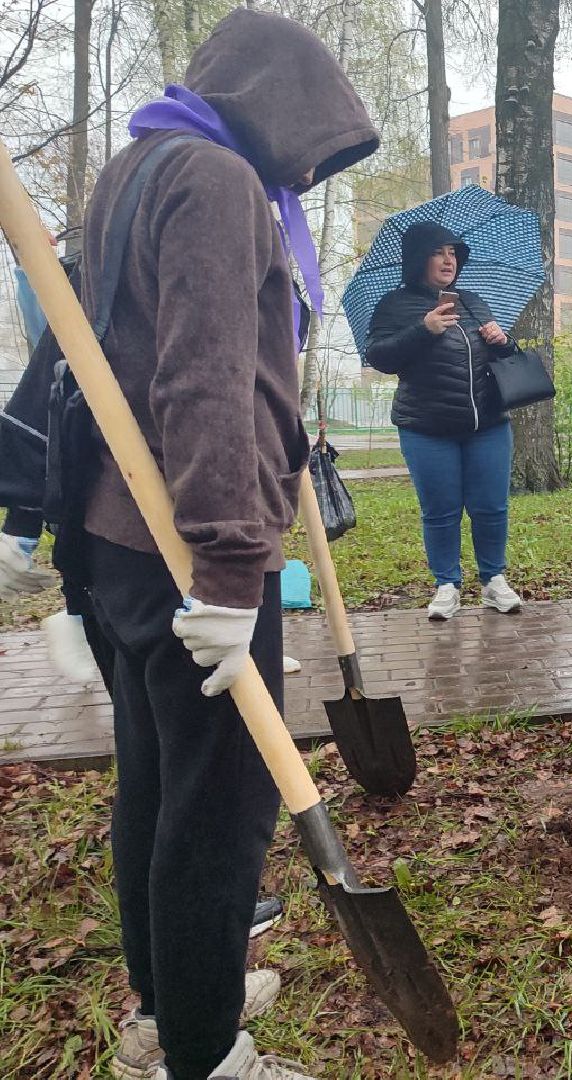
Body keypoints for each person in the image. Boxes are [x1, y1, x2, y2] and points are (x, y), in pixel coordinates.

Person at [40, 12, 377, 1079]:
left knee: (154, 782)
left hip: (118, 542)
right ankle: (206, 1052)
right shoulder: (219, 185)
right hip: (190, 554)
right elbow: (204, 383)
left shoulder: (138, 164)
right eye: (319, 136)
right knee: (220, 812)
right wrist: (234, 568)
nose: (318, 164)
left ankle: (168, 1005)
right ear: (275, 97)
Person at [365, 221, 524, 620]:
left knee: (491, 507)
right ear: (420, 258)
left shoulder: (472, 302)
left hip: (487, 424)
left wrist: (503, 342)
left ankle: (493, 581)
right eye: (439, 252)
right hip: (426, 427)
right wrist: (423, 329)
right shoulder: (395, 305)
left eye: (453, 252)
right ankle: (446, 585)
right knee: (441, 510)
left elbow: (505, 359)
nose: (448, 259)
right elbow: (379, 357)